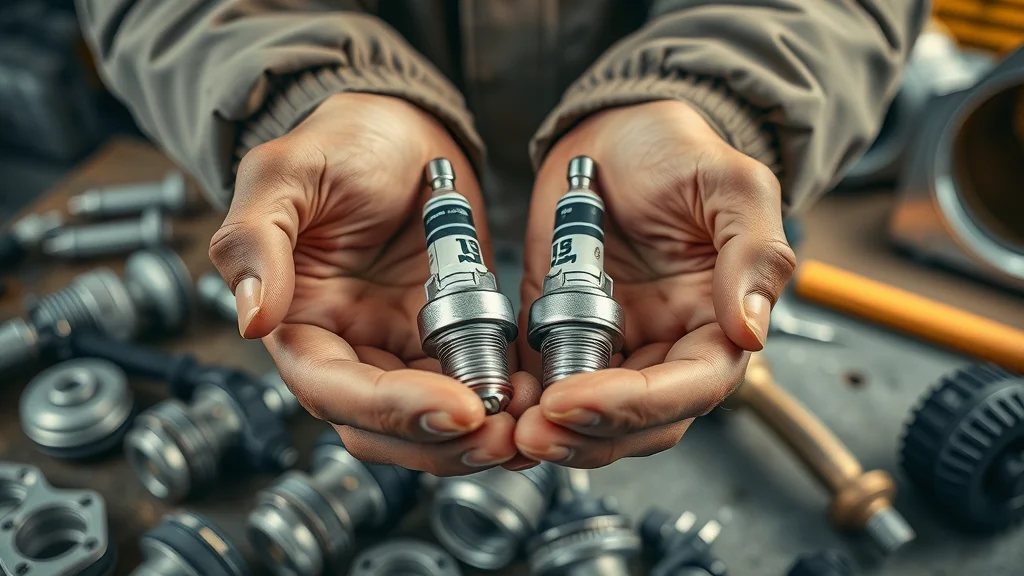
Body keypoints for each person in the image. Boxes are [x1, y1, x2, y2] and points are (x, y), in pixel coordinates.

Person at [77, 1, 928, 475]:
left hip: (673, 231)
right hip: (364, 235)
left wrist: (720, 107)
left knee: (634, 404)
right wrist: (299, 97)